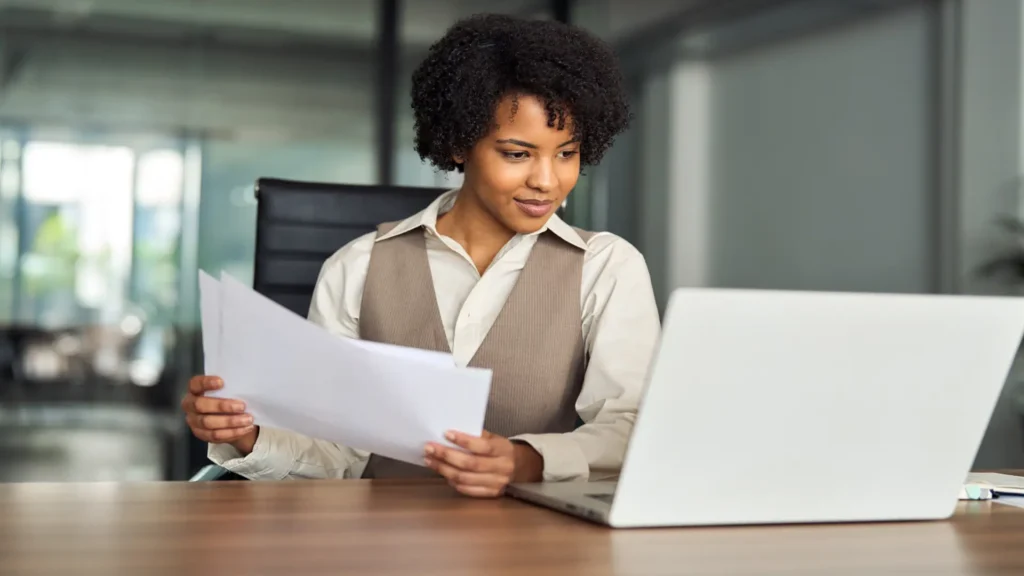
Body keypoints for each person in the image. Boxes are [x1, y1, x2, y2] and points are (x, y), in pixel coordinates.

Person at [181, 13, 660, 498]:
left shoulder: (606, 267)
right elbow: (337, 455)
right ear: (458, 143)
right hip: (380, 544)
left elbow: (632, 426)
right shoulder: (356, 268)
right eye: (517, 154)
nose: (547, 180)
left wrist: (527, 460)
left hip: (532, 548)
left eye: (566, 154)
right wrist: (248, 436)